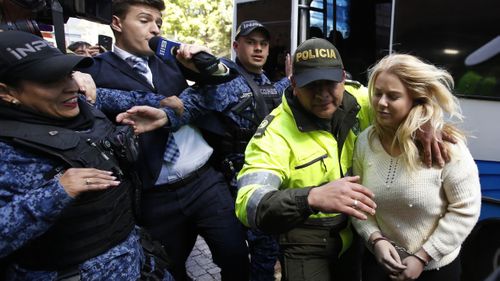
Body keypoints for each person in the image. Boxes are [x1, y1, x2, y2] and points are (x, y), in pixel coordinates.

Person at [234, 38, 453, 281]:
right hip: (306, 241)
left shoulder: (359, 99)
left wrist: (425, 120)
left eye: (330, 83)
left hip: (356, 233)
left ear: (342, 78)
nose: (323, 94)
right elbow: (248, 204)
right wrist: (311, 198)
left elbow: (405, 97)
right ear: (294, 83)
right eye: (311, 85)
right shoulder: (275, 134)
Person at [80, 0, 250, 280]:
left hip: (205, 181)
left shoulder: (173, 60)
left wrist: (205, 64)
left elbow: (226, 85)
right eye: (145, 20)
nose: (155, 29)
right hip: (154, 196)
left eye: (158, 22)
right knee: (168, 268)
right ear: (117, 23)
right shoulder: (94, 71)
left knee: (235, 255)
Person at [0, 31, 173, 280]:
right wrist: (56, 192)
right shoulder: (7, 151)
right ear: (6, 92)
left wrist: (172, 109)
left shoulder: (84, 102)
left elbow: (151, 101)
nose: (71, 87)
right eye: (50, 79)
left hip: (137, 262)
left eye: (68, 73)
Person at [157, 19, 291, 281]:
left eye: (263, 44)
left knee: (264, 248)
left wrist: (288, 80)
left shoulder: (260, 77)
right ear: (235, 46)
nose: (258, 49)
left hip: (263, 170)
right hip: (235, 178)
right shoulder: (223, 77)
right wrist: (165, 116)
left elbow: (267, 95)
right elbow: (189, 106)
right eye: (251, 43)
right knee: (251, 247)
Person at [351, 54, 481, 281]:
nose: (381, 102)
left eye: (393, 96)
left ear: (415, 99)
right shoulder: (365, 141)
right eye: (378, 93)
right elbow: (358, 202)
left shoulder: (446, 146)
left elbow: (466, 210)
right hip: (379, 266)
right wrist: (375, 239)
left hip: (437, 271)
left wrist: (423, 256)